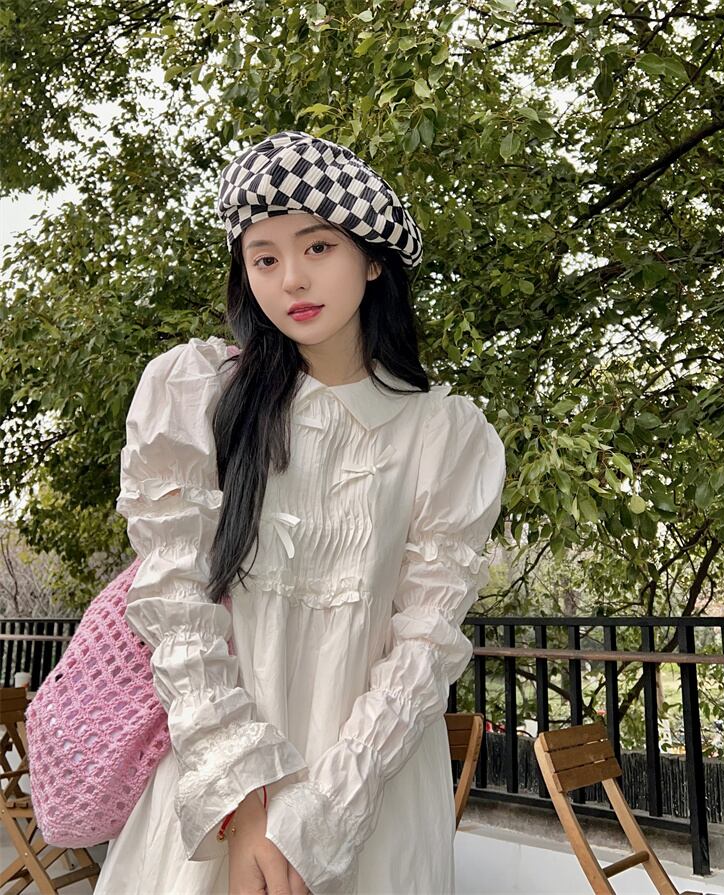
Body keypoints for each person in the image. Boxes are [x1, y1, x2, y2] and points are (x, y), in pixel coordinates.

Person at [94, 131, 506, 895]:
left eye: (318, 247)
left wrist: (325, 813)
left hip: (372, 794)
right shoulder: (200, 397)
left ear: (372, 259)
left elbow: (426, 642)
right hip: (222, 786)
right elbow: (178, 610)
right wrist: (247, 804)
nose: (291, 279)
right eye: (265, 258)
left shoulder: (445, 436)